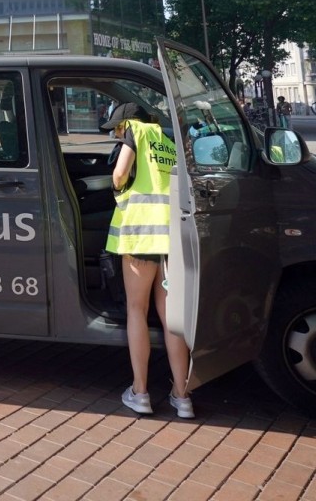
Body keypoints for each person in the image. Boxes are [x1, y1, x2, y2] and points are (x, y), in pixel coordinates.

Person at [103, 102, 193, 419]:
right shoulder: (167, 142)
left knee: (136, 310)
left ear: (128, 123)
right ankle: (182, 396)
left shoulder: (136, 132)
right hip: (170, 241)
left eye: (116, 127)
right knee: (172, 319)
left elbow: (120, 172)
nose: (115, 133)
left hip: (141, 238)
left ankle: (140, 392)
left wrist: (116, 185)